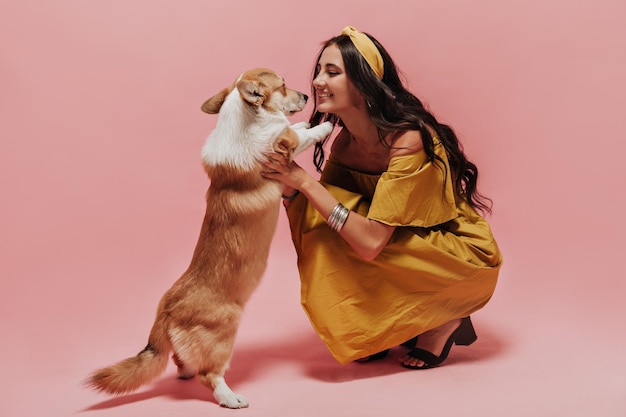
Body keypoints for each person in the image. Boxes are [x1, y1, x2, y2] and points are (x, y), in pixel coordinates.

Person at [262, 26, 503, 369]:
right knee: (322, 219)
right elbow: (323, 213)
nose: (317, 81)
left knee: (335, 212)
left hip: (453, 256)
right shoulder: (346, 143)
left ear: (364, 83)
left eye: (332, 72)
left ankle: (446, 319)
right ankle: (379, 324)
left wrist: (302, 180)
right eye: (318, 70)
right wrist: (282, 179)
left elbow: (372, 242)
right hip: (400, 243)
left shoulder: (409, 141)